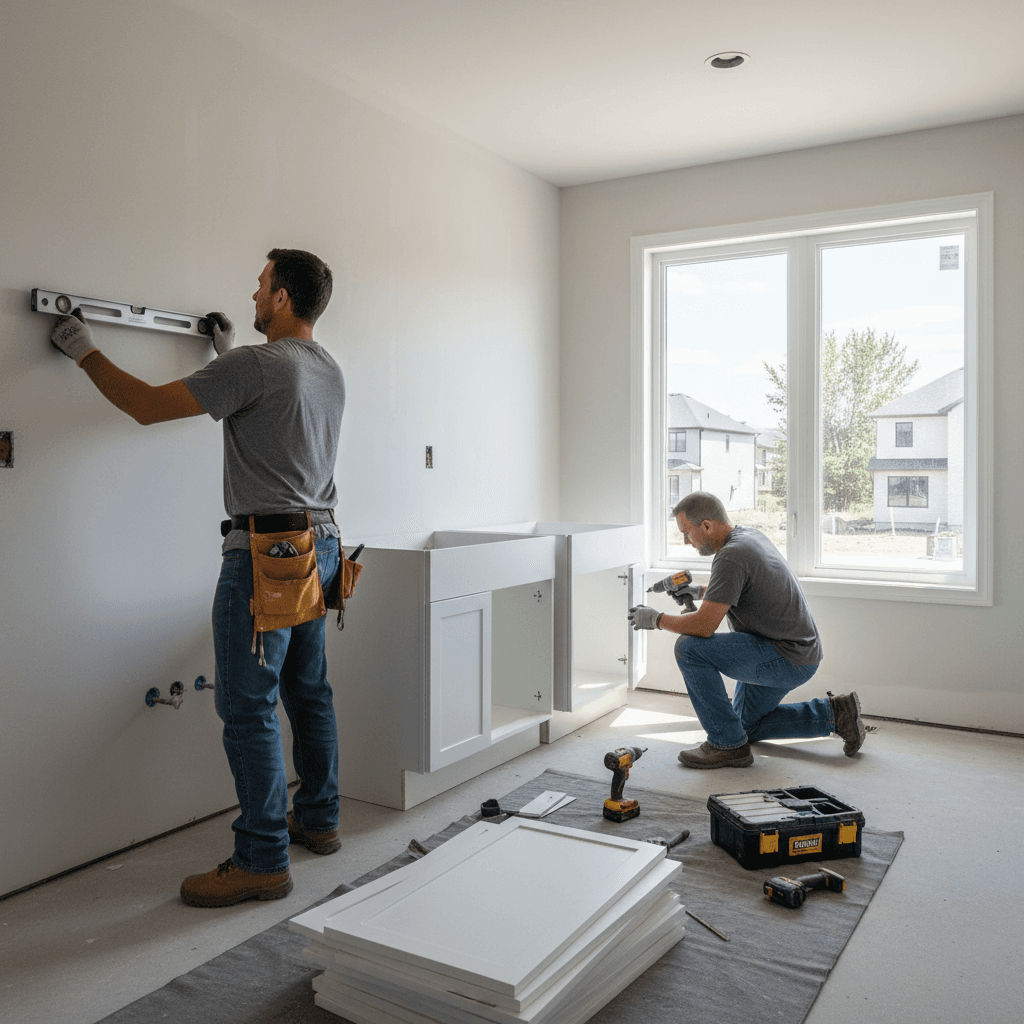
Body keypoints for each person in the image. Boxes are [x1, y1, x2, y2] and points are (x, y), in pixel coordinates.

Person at [50, 249, 347, 906]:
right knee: (308, 692)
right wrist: (225, 351)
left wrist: (84, 351)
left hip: (266, 556)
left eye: (261, 282)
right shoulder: (325, 369)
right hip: (322, 544)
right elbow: (272, 409)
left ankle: (262, 858)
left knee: (247, 706)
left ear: (281, 297)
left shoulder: (255, 366)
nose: (253, 289)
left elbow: (148, 407)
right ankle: (319, 820)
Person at [628, 492, 866, 768]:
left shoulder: (731, 556)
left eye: (687, 532)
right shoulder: (747, 537)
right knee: (743, 726)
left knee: (689, 648)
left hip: (785, 657)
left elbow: (704, 627)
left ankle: (725, 745)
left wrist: (656, 619)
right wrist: (701, 592)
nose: (685, 541)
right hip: (797, 652)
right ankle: (835, 714)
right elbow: (745, 587)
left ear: (706, 526)